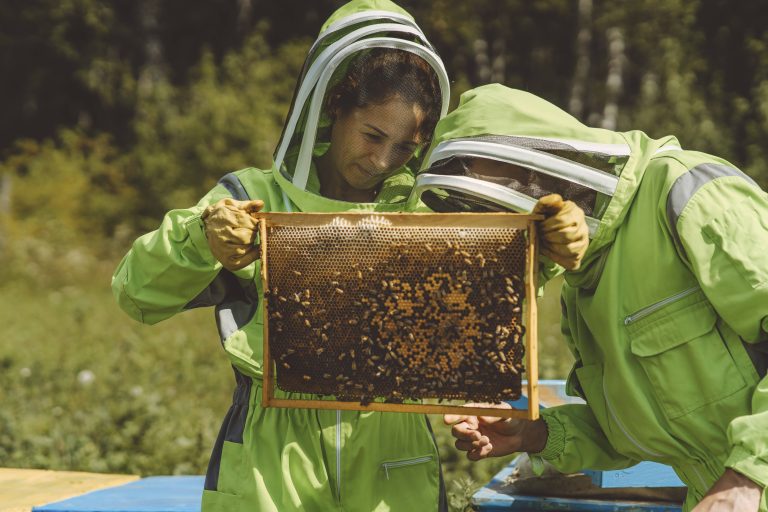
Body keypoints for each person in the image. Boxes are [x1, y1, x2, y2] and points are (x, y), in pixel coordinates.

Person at [112, 2, 450, 511]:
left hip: (393, 452)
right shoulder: (253, 198)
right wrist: (204, 240)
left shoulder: (422, 212)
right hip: (276, 456)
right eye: (373, 135)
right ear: (333, 105)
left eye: (404, 147)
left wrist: (548, 249)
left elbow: (494, 305)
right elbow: (136, 293)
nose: (383, 160)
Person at [410, 84, 768, 511]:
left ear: (540, 160)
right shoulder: (583, 288)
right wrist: (533, 433)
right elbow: (625, 432)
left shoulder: (686, 195)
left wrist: (745, 480)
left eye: (506, 188)